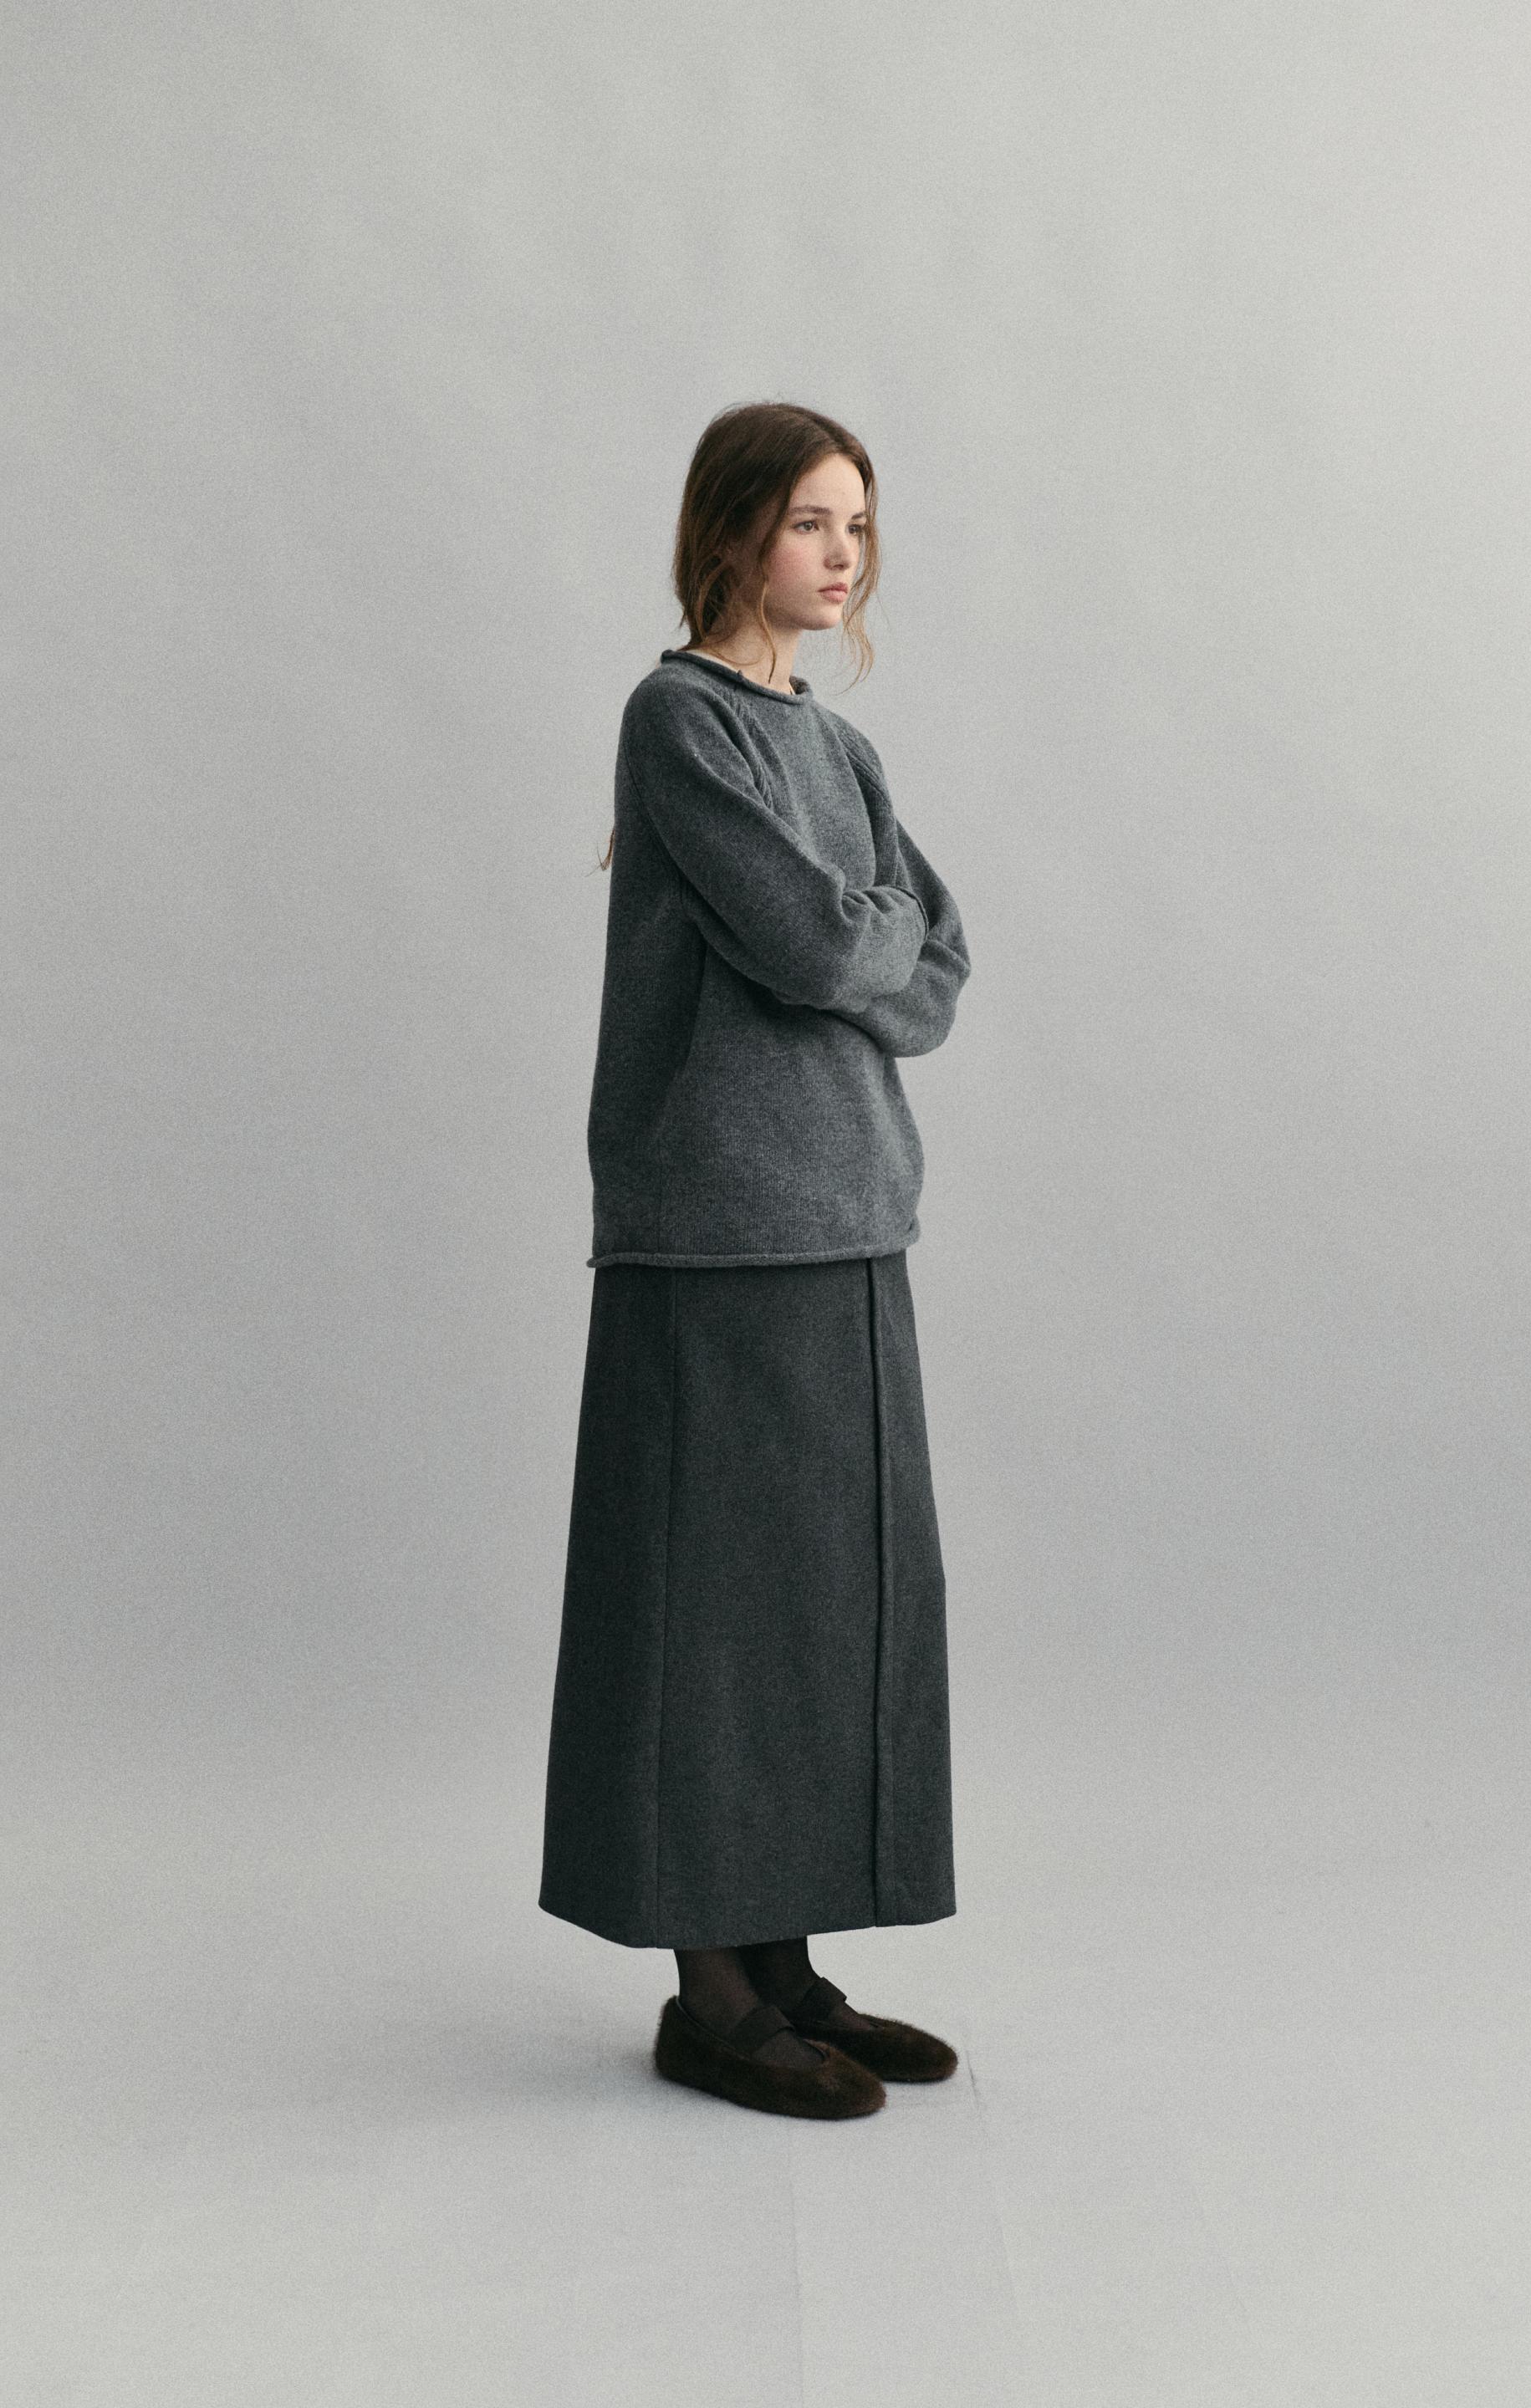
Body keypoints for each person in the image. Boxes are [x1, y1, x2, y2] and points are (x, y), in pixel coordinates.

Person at [538, 400, 973, 2120]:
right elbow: (815, 939)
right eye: (809, 520)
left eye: (857, 522)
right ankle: (710, 1995)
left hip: (856, 1213)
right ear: (728, 534)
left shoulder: (839, 752)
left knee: (824, 1612)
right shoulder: (679, 722)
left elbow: (940, 971)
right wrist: (868, 932)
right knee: (706, 1614)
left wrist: (867, 936)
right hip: (716, 1229)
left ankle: (786, 1964)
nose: (843, 552)